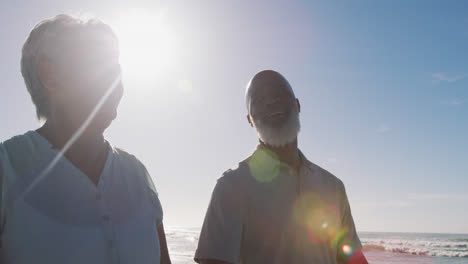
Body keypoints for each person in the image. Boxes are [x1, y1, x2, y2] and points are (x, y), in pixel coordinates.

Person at [0, 14, 171, 264]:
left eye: (118, 71)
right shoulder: (7, 168)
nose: (116, 84)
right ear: (50, 75)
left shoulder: (136, 174)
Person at [194, 70, 368, 264]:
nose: (271, 102)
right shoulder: (231, 187)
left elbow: (353, 259)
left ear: (298, 105)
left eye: (280, 94)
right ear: (249, 119)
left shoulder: (333, 187)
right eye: (259, 99)